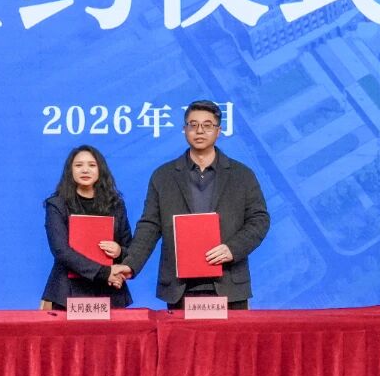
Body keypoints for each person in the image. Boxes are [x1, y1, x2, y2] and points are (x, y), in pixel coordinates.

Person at [113, 100, 269, 309]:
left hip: (229, 285)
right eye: (193, 125)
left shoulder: (242, 175)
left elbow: (259, 220)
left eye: (207, 125)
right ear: (184, 129)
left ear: (219, 131)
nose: (199, 131)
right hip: (179, 287)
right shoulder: (163, 176)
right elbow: (150, 226)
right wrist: (130, 264)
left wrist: (233, 248)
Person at [41, 145, 133, 308]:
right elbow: (61, 251)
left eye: (92, 165)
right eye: (78, 165)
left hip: (110, 290)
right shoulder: (57, 205)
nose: (85, 170)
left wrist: (119, 251)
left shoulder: (116, 205)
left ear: (100, 170)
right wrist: (105, 273)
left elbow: (130, 250)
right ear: (70, 170)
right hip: (68, 291)